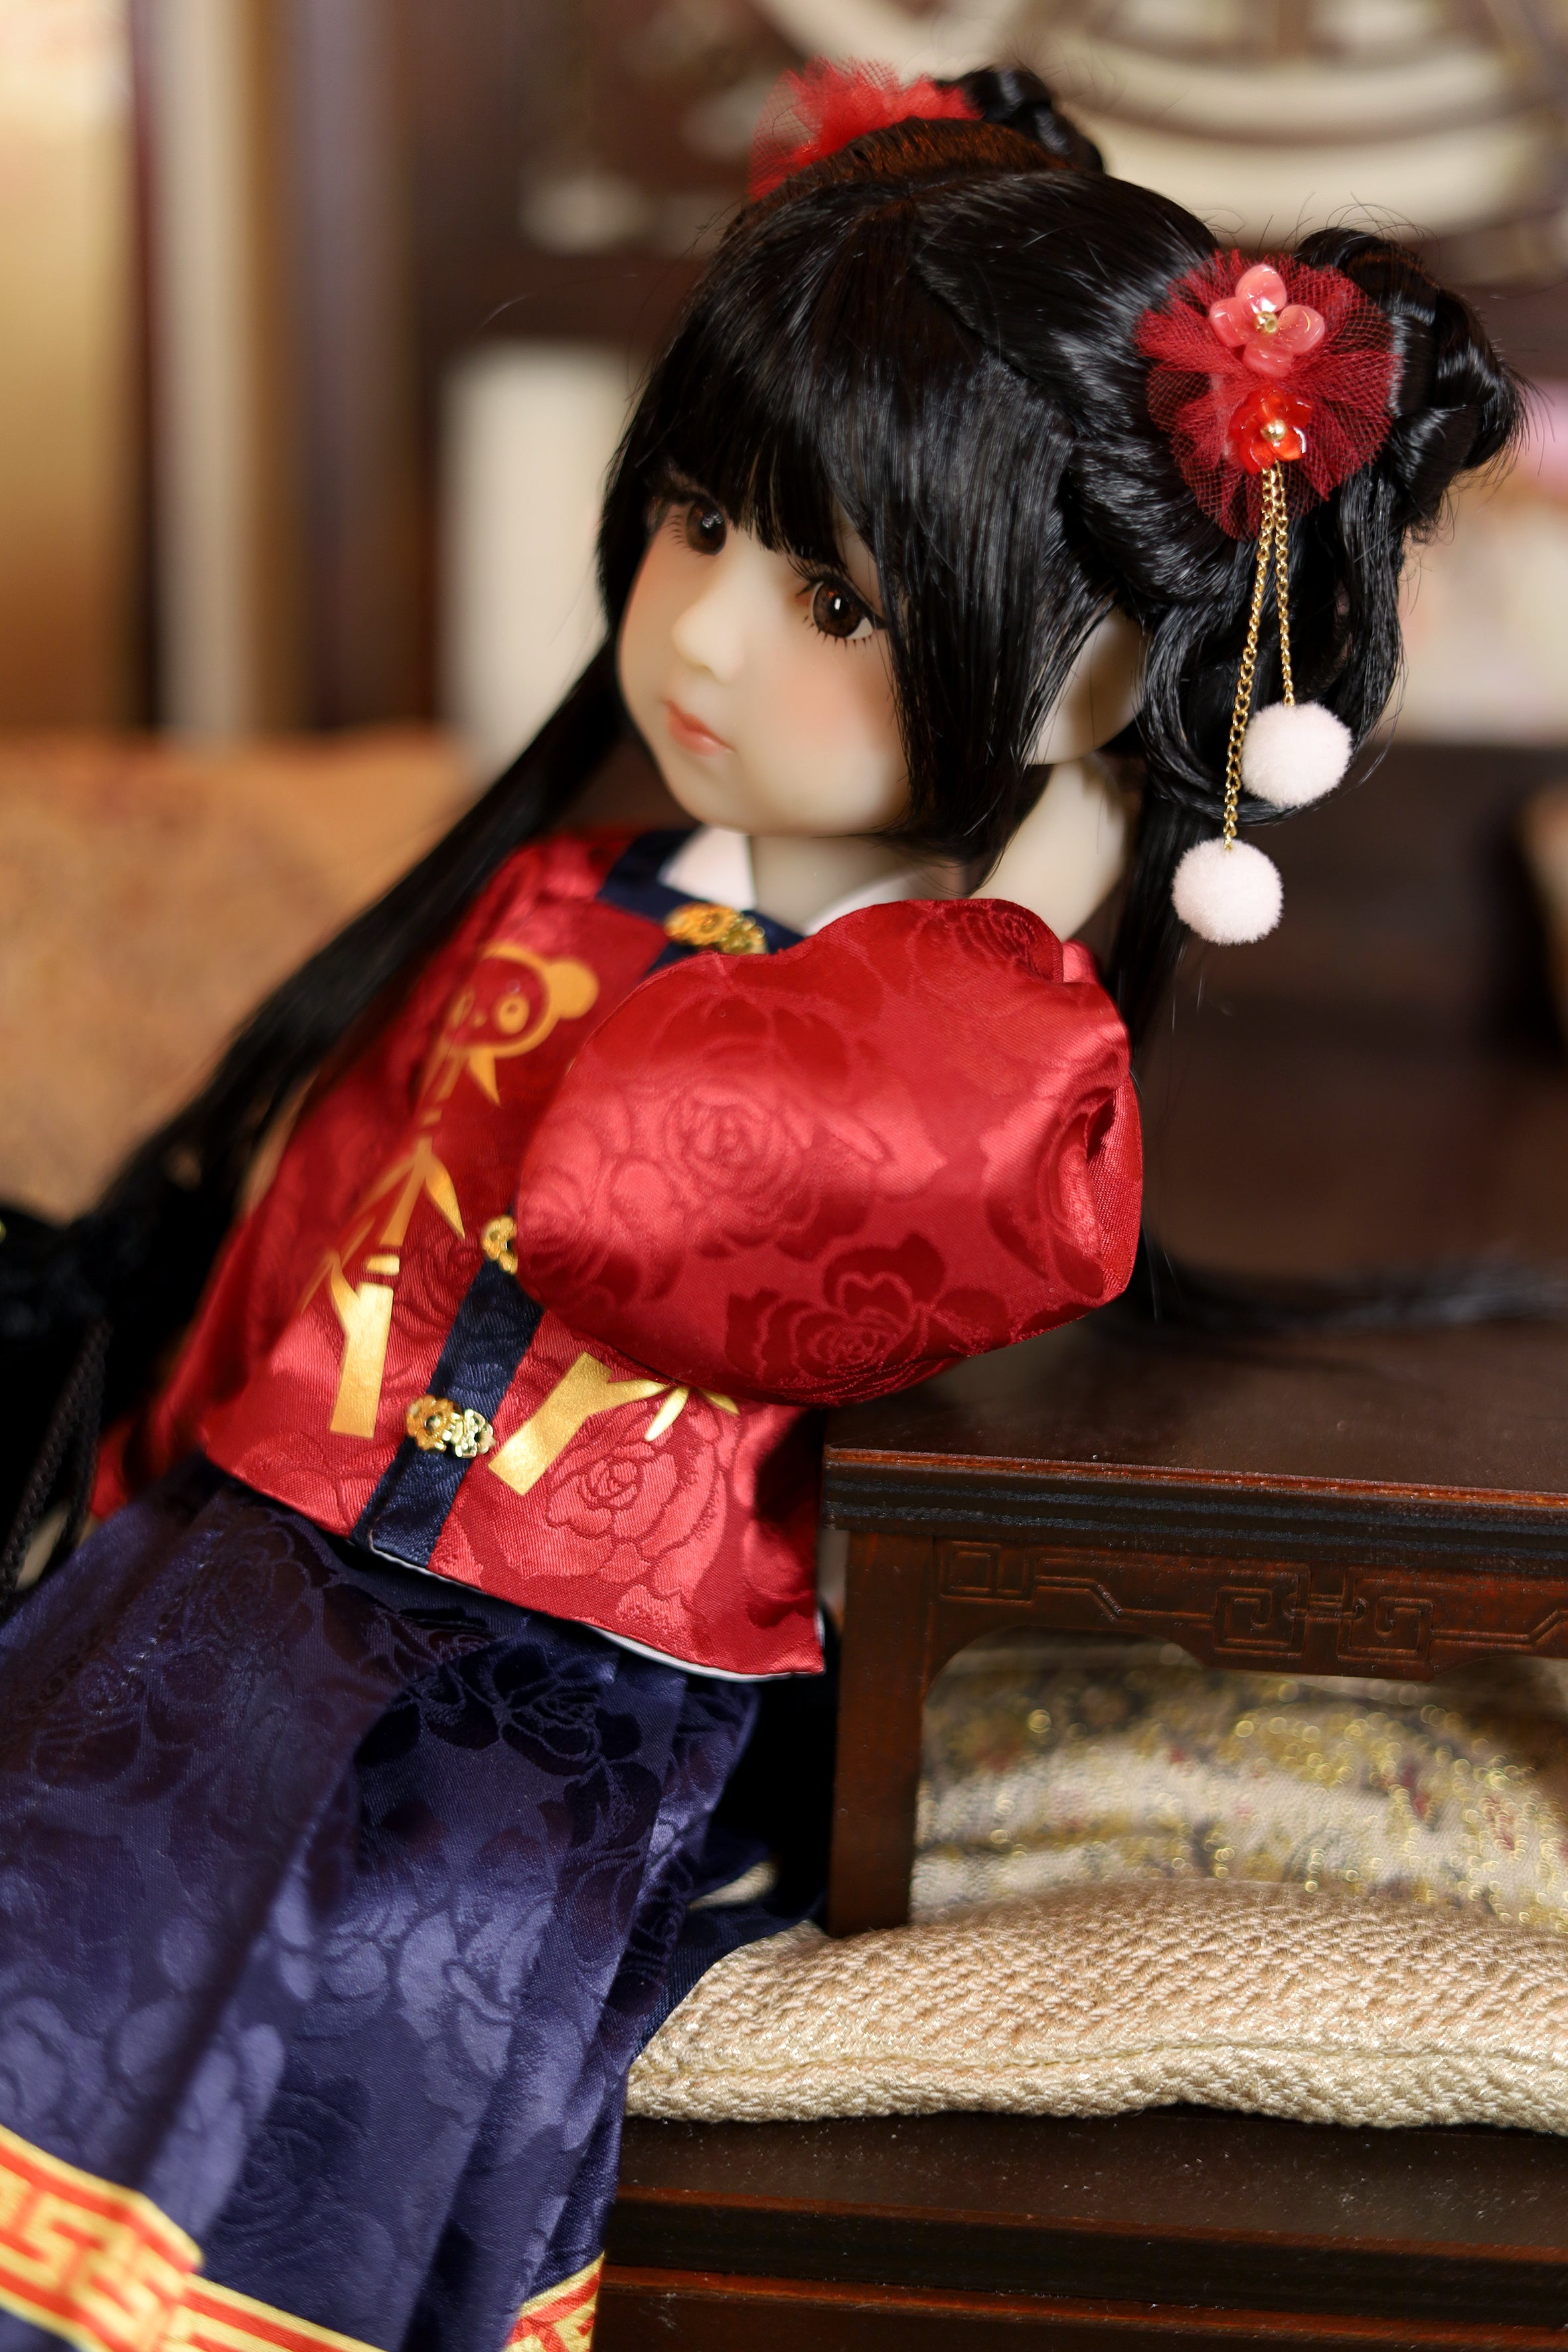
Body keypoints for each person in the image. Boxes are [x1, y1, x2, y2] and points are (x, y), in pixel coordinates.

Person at [0, 60, 1519, 2352]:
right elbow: (321, 1213)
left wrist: (1088, 830)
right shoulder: (558, 887)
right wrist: (136, 1478)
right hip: (238, 1566)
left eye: (830, 595)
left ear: (1095, 659)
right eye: (701, 526)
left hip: (558, 1685)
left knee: (300, 2051)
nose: (704, 639)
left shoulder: (977, 1059)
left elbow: (682, 1203)